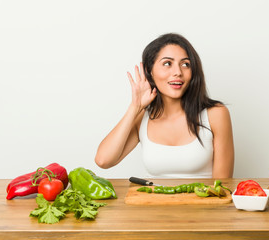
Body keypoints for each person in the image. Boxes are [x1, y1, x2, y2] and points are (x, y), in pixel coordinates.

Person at [95, 33, 234, 178]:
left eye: (185, 64)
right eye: (167, 63)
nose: (177, 72)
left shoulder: (216, 114)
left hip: (202, 200)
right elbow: (103, 160)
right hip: (151, 200)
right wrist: (134, 107)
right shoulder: (142, 117)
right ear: (150, 71)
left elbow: (222, 187)